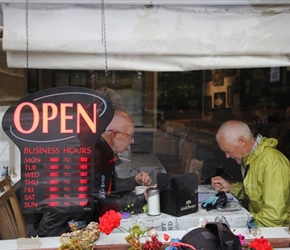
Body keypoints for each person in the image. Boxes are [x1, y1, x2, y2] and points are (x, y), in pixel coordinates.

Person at [35, 109, 152, 237]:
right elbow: (101, 202)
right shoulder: (94, 155)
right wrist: (142, 198)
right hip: (61, 235)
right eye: (130, 136)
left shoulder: (102, 151)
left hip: (79, 228)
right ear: (114, 134)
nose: (132, 141)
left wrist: (134, 181)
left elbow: (107, 187)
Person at [211, 120, 290, 227]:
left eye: (228, 150)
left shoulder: (271, 161)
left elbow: (273, 217)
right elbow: (256, 192)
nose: (227, 156)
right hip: (261, 224)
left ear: (242, 141)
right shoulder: (251, 158)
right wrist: (231, 187)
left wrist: (239, 224)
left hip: (280, 232)